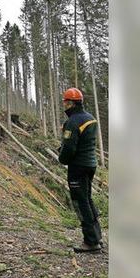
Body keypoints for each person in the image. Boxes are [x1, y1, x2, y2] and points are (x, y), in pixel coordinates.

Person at [57, 87, 102, 253]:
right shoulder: (90, 118)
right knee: (88, 199)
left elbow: (69, 148)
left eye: (65, 102)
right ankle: (97, 236)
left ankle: (91, 242)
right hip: (91, 165)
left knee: (80, 202)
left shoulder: (73, 122)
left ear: (70, 103)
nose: (64, 106)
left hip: (78, 167)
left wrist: (61, 158)